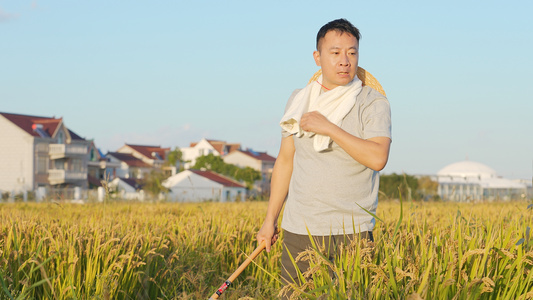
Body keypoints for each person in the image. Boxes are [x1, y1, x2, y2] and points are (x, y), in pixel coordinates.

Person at [256, 18, 392, 296]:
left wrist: (329, 127)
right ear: (318, 57)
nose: (345, 61)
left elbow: (378, 157)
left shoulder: (372, 102)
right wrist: (270, 219)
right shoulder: (299, 99)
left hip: (352, 230)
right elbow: (285, 161)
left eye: (352, 53)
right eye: (335, 52)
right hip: (299, 228)